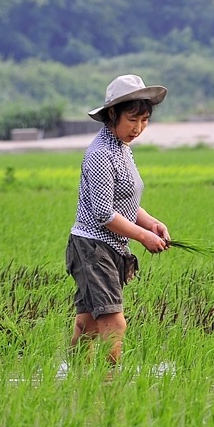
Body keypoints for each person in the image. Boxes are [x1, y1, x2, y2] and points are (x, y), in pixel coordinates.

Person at [65, 74, 171, 367]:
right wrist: (142, 237)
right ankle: (111, 386)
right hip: (93, 248)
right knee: (115, 322)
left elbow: (124, 202)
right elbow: (104, 213)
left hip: (110, 247)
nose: (138, 128)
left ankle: (75, 382)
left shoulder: (122, 149)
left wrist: (150, 222)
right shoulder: (100, 153)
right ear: (113, 114)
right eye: (132, 120)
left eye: (144, 120)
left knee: (87, 325)